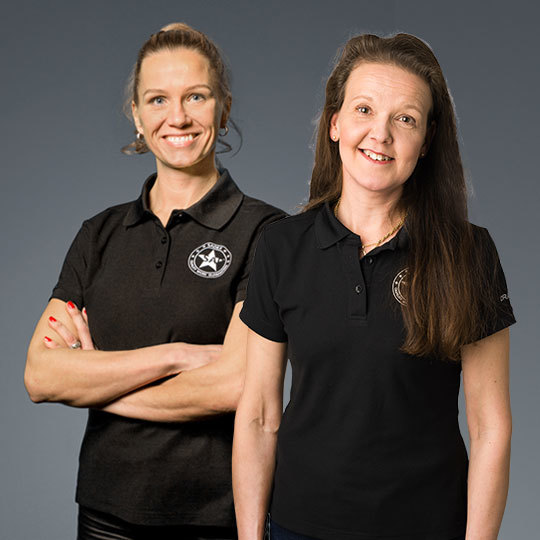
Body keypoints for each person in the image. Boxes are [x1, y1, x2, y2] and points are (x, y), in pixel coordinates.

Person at [233, 33, 515, 540]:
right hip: (298, 526)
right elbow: (258, 415)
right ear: (335, 123)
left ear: (426, 141)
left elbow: (490, 428)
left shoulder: (469, 253)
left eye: (405, 119)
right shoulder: (281, 246)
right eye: (364, 109)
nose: (380, 134)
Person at [24, 23, 285, 540]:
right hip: (102, 513)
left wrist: (94, 385)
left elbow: (235, 384)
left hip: (211, 517)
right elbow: (40, 375)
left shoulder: (267, 233)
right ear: (138, 117)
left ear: (224, 109)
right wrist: (176, 356)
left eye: (196, 96)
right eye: (158, 99)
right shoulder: (100, 234)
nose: (178, 116)